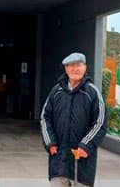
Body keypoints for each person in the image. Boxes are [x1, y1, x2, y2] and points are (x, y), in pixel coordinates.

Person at [40, 53, 107, 187]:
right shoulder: (56, 91)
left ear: (85, 67)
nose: (75, 69)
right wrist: (50, 142)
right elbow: (44, 118)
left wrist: (85, 145)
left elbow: (100, 123)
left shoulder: (92, 92)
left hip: (82, 160)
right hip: (59, 159)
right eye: (71, 66)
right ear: (66, 68)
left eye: (78, 65)